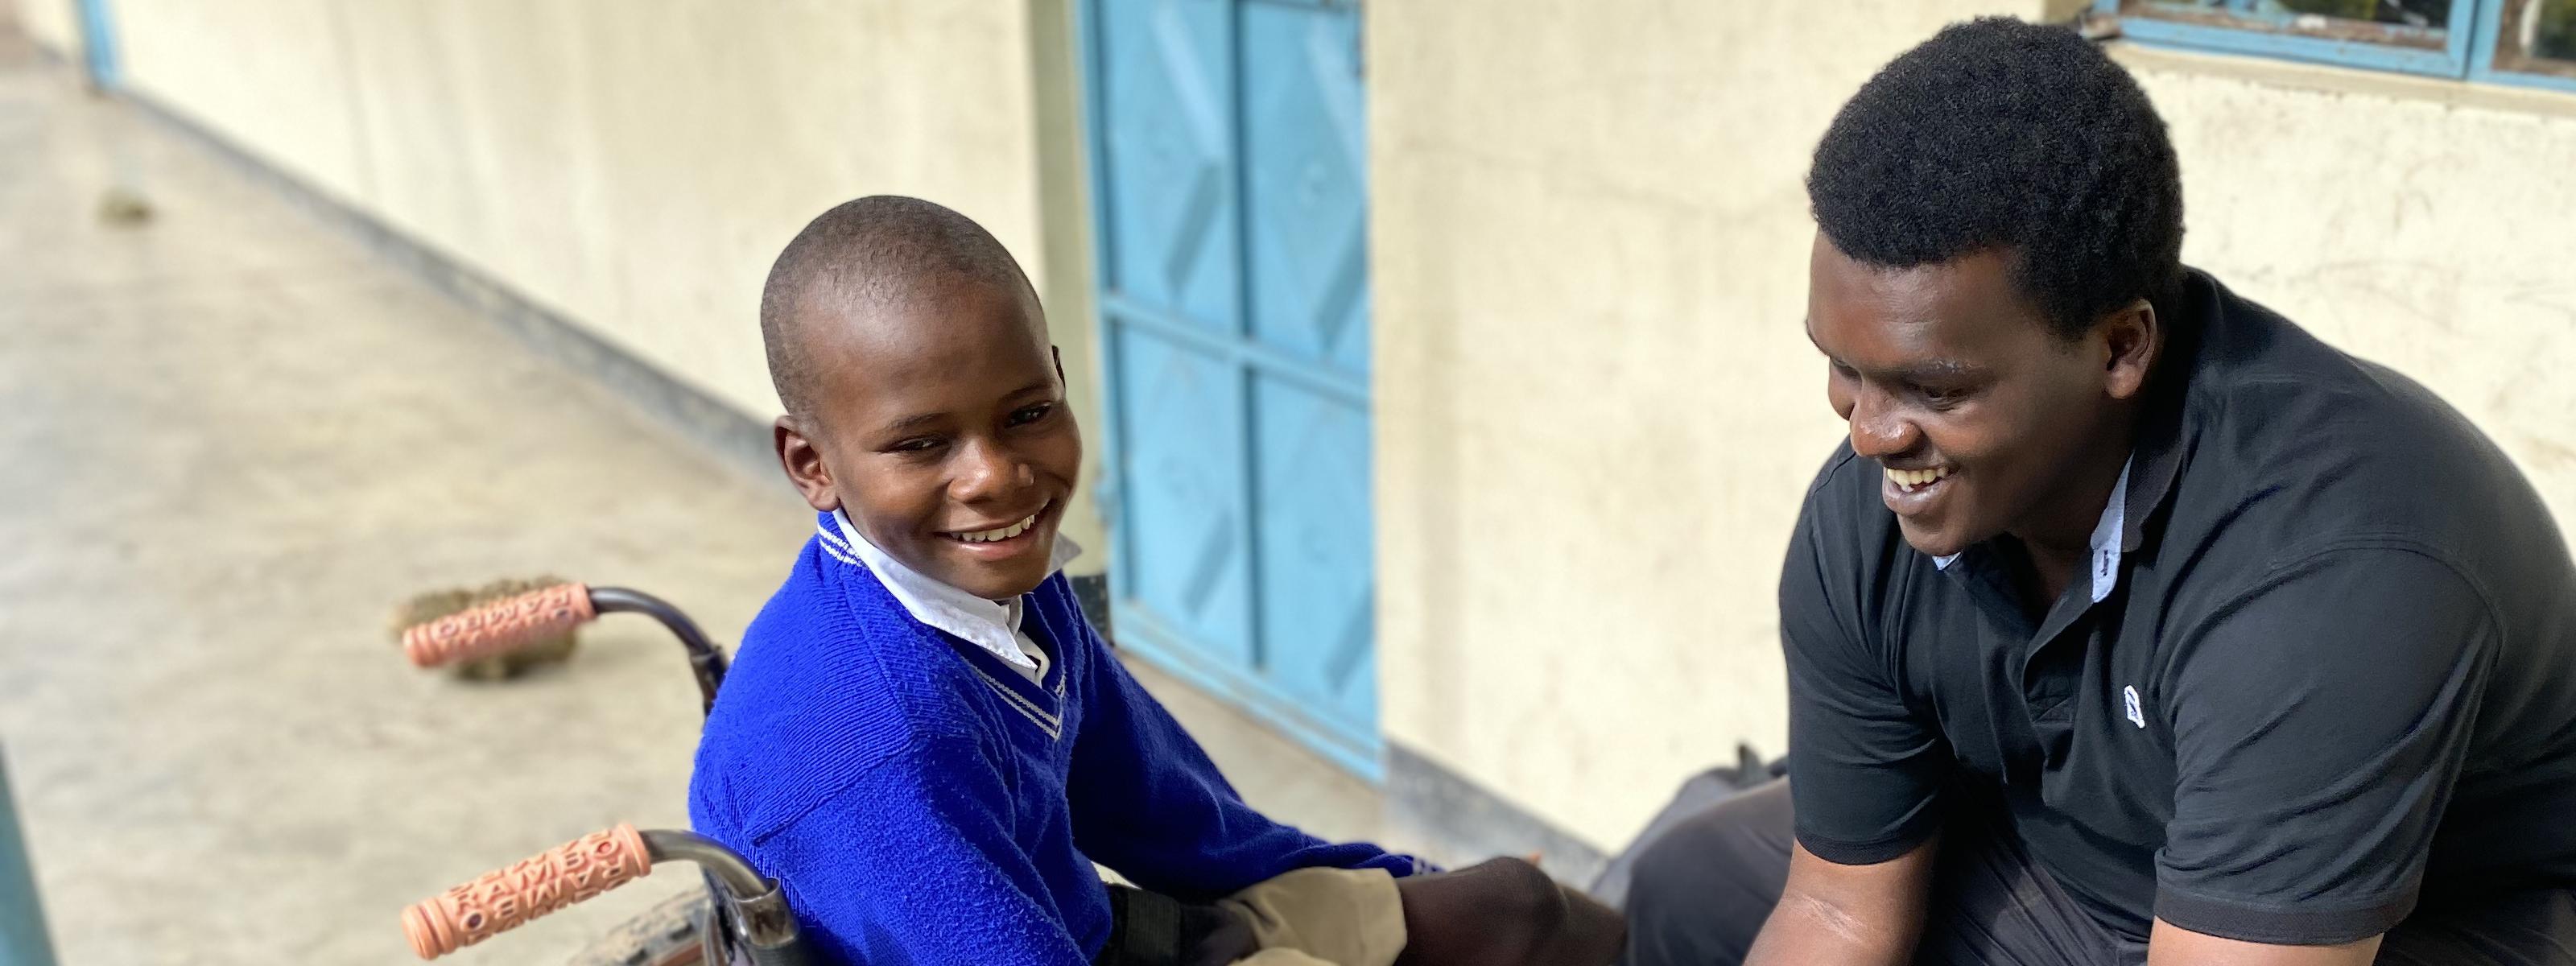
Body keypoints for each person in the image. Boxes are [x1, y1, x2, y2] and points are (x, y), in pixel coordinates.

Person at [1621, 17, 2576, 966]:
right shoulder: (1872, 511)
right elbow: (1835, 914)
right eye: (1843, 368)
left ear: (2120, 346)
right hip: (2090, 875)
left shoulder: (2329, 563)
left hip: (2406, 928)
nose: (1869, 432)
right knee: (1691, 885)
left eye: (1935, 387)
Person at [689, 195, 1621, 965]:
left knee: (1522, 910)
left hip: (1110, 936)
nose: (996, 476)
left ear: (1057, 380)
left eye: (1026, 414)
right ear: (810, 463)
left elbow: (1168, 814)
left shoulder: (996, 581)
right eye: (922, 443)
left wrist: (1390, 881)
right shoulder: (877, 747)